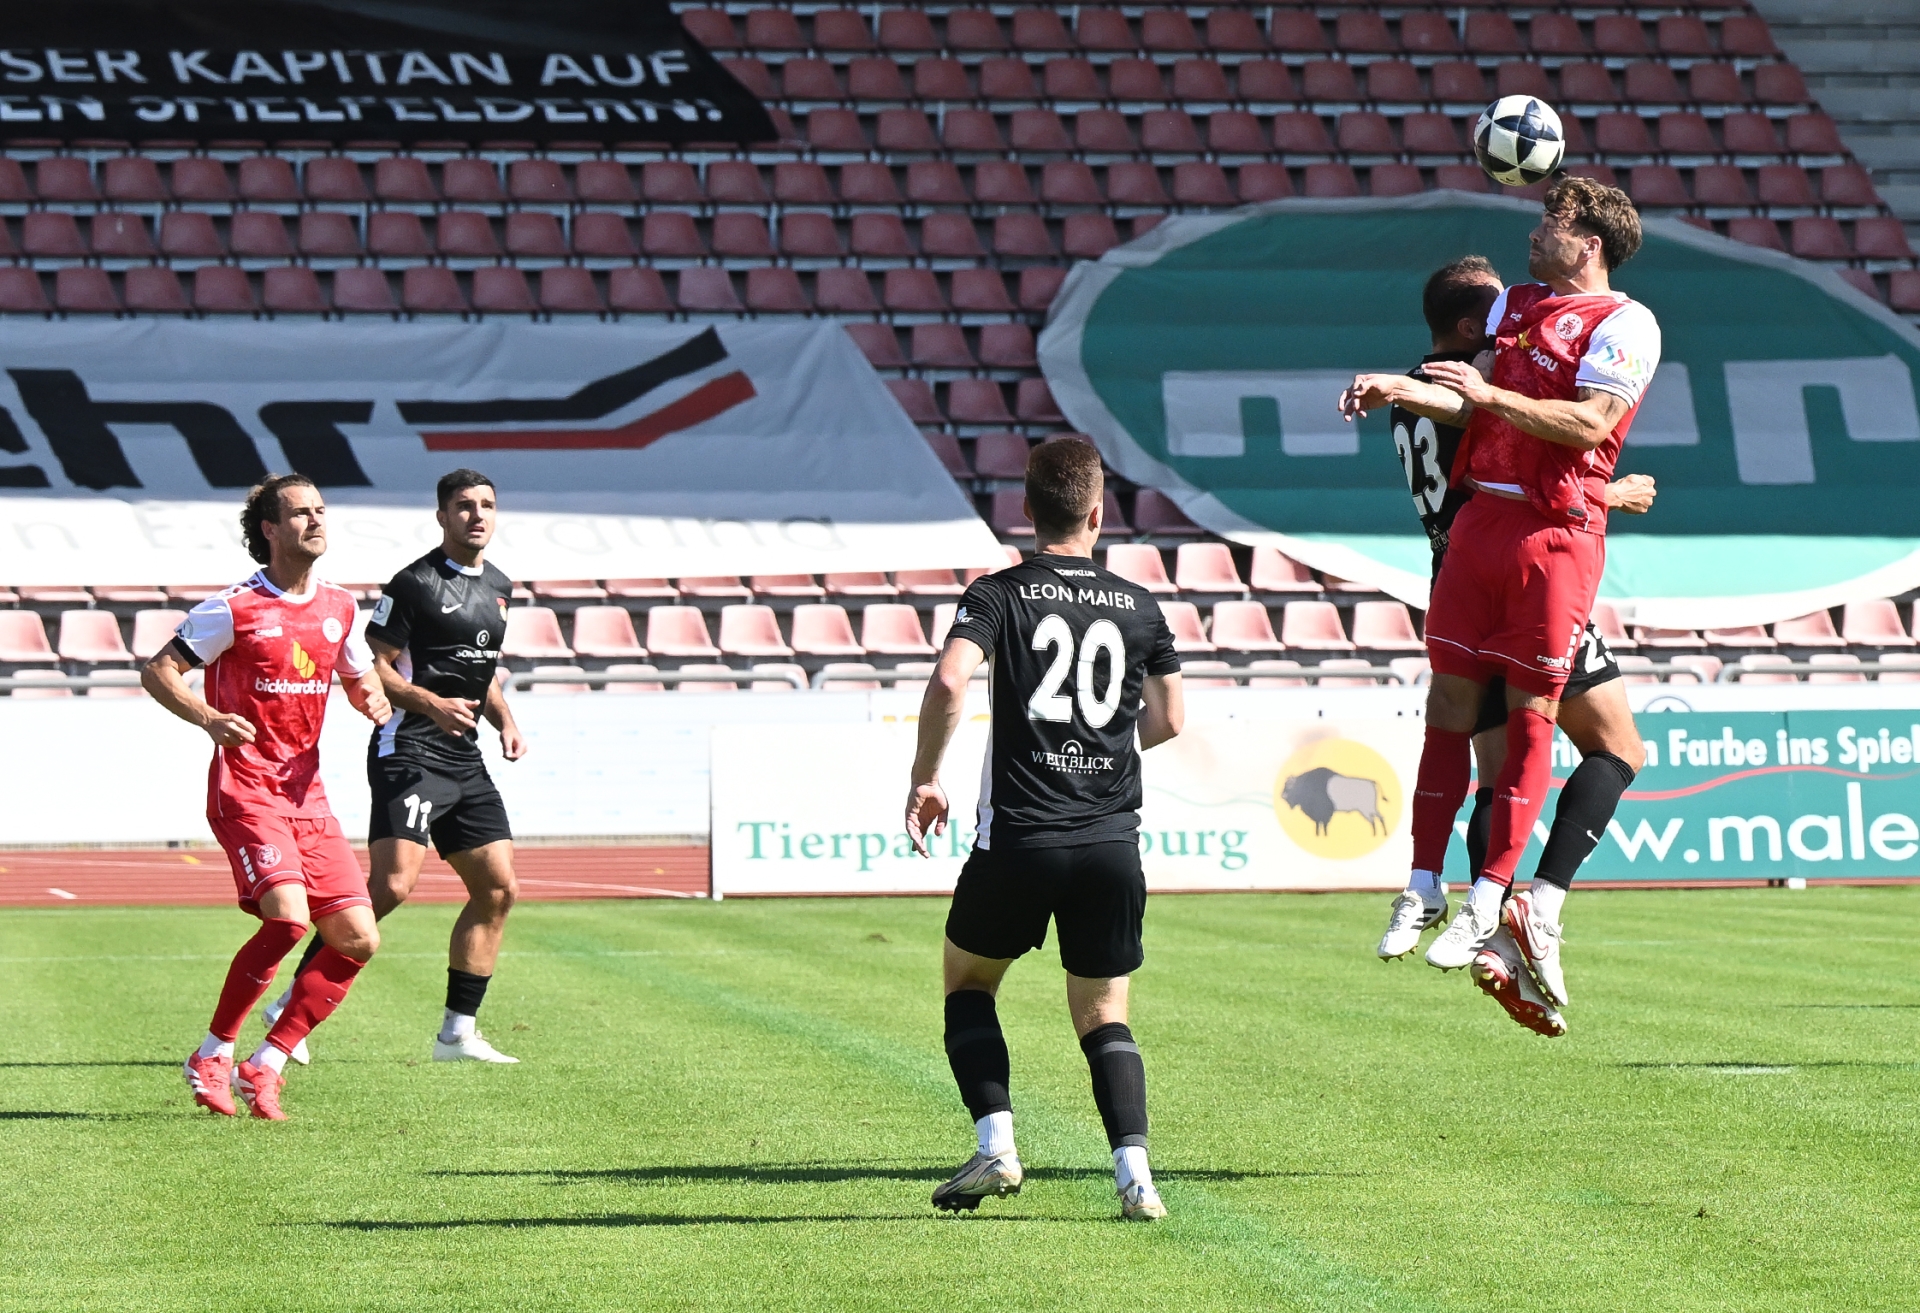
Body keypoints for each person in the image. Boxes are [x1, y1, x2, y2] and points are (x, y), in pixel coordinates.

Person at [1339, 177, 1662, 1016]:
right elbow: (1488, 410)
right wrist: (1420, 388)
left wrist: (1411, 389)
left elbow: (1584, 423)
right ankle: (1516, 910)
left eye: (1552, 219)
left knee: (1510, 748)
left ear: (1589, 242)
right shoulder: (1515, 312)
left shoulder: (1621, 324)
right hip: (1490, 541)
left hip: (1512, 546)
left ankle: (1500, 911)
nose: (1535, 229)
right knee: (1607, 747)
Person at [905, 439, 1184, 1221]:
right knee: (1105, 1014)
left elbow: (950, 678)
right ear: (1098, 513)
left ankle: (996, 1143)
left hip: (1021, 837)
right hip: (1109, 841)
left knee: (969, 983)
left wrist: (926, 774)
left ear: (1026, 508)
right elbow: (1170, 719)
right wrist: (1103, 744)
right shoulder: (1141, 605)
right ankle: (1135, 1175)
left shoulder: (998, 593)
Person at [148, 474, 392, 1120]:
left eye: (321, 510)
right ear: (270, 530)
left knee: (358, 938)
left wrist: (370, 696)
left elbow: (358, 673)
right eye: (301, 513)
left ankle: (268, 1062)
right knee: (287, 919)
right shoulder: (233, 609)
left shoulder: (340, 607)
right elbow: (159, 669)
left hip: (308, 796)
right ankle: (212, 1053)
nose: (316, 520)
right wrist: (207, 717)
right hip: (247, 788)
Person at [264, 470, 526, 1065]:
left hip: (463, 757)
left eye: (487, 505)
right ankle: (288, 1006)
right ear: (442, 517)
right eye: (464, 506)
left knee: (498, 889)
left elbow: (480, 671)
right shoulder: (414, 584)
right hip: (407, 749)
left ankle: (457, 1034)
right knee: (391, 886)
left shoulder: (500, 586)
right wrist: (430, 703)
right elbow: (372, 667)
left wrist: (505, 721)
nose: (477, 515)